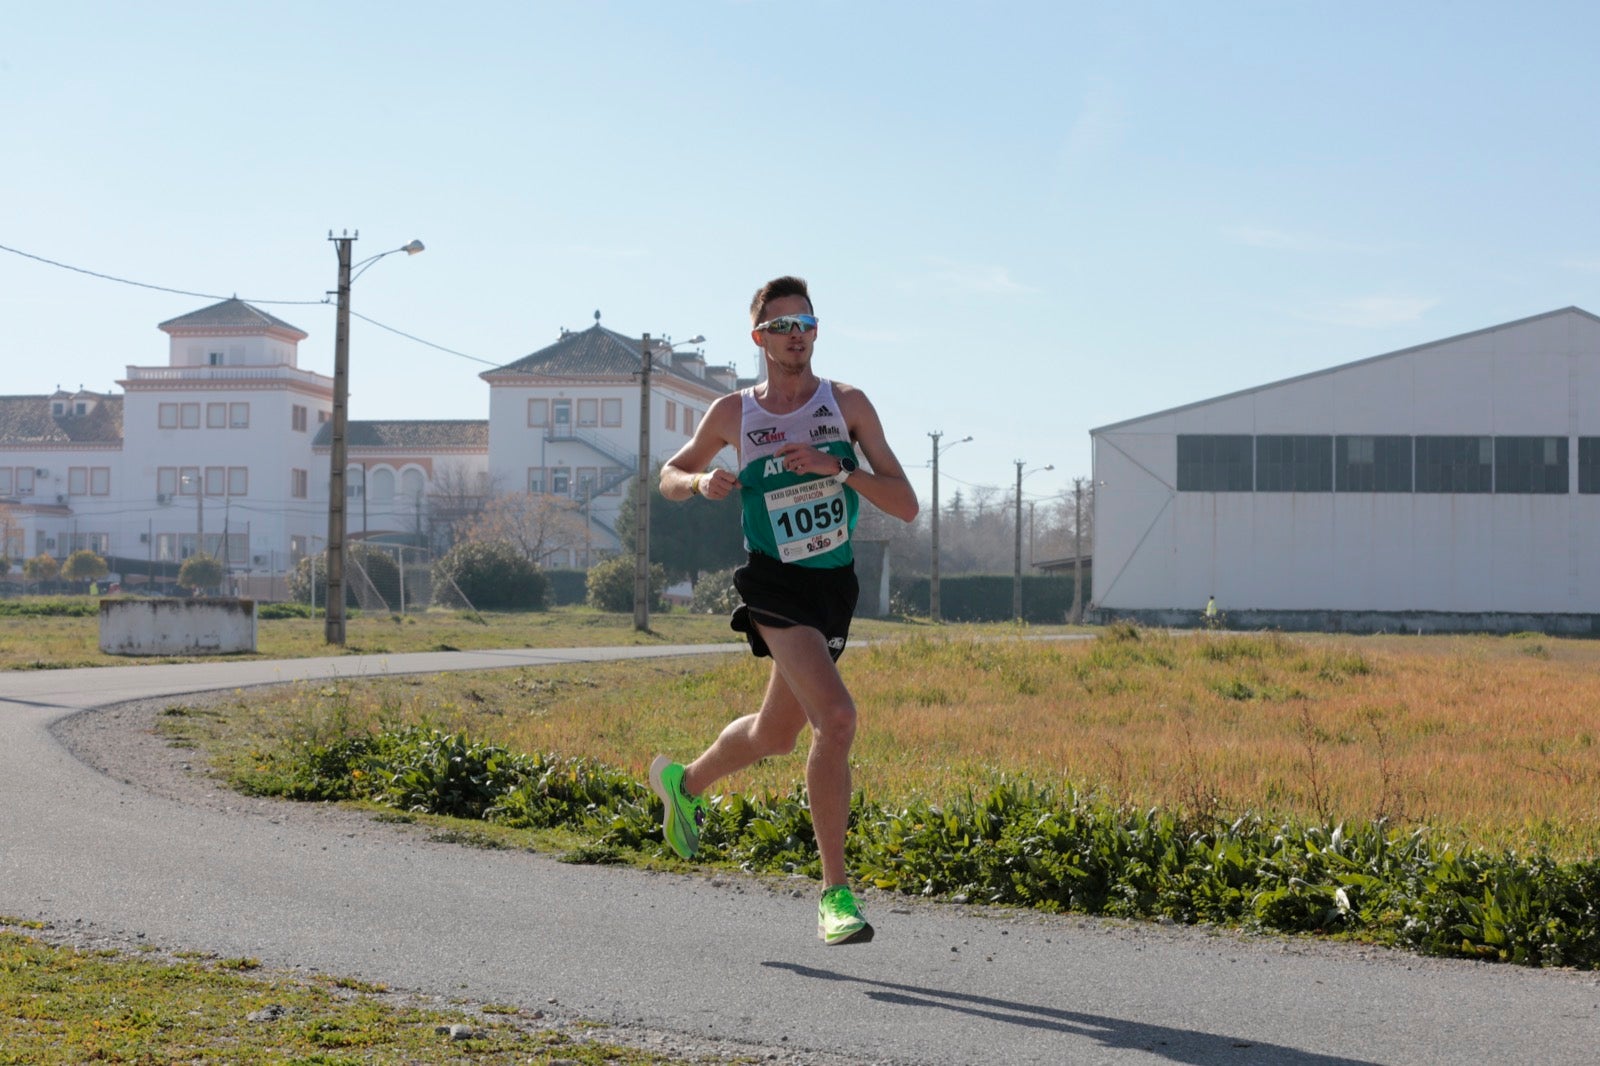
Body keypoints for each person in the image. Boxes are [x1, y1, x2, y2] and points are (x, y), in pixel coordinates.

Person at [649, 275, 919, 945]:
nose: (796, 335)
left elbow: (905, 502)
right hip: (773, 583)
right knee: (838, 717)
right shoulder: (734, 413)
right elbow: (669, 475)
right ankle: (836, 895)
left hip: (833, 586)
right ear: (759, 338)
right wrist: (701, 480)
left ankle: (685, 783)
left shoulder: (847, 404)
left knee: (776, 734)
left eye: (806, 323)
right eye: (782, 325)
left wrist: (841, 468)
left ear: (816, 332)